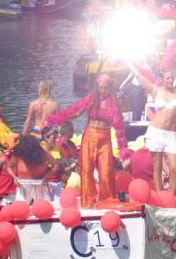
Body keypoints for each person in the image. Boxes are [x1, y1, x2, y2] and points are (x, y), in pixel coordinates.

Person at [47, 74, 130, 208]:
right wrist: (61, 118)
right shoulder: (92, 98)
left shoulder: (115, 103)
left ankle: (107, 200)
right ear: (97, 87)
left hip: (105, 138)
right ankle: (88, 201)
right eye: (100, 88)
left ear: (110, 88)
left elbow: (119, 126)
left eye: (106, 88)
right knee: (86, 168)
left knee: (106, 170)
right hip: (89, 136)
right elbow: (77, 112)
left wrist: (123, 146)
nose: (103, 91)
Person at [128, 54, 176, 194]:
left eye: (172, 78)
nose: (170, 80)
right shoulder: (155, 90)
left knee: (174, 169)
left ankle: (170, 196)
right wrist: (127, 60)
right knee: (157, 167)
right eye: (168, 78)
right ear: (162, 80)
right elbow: (139, 76)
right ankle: (160, 196)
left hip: (171, 134)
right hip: (155, 132)